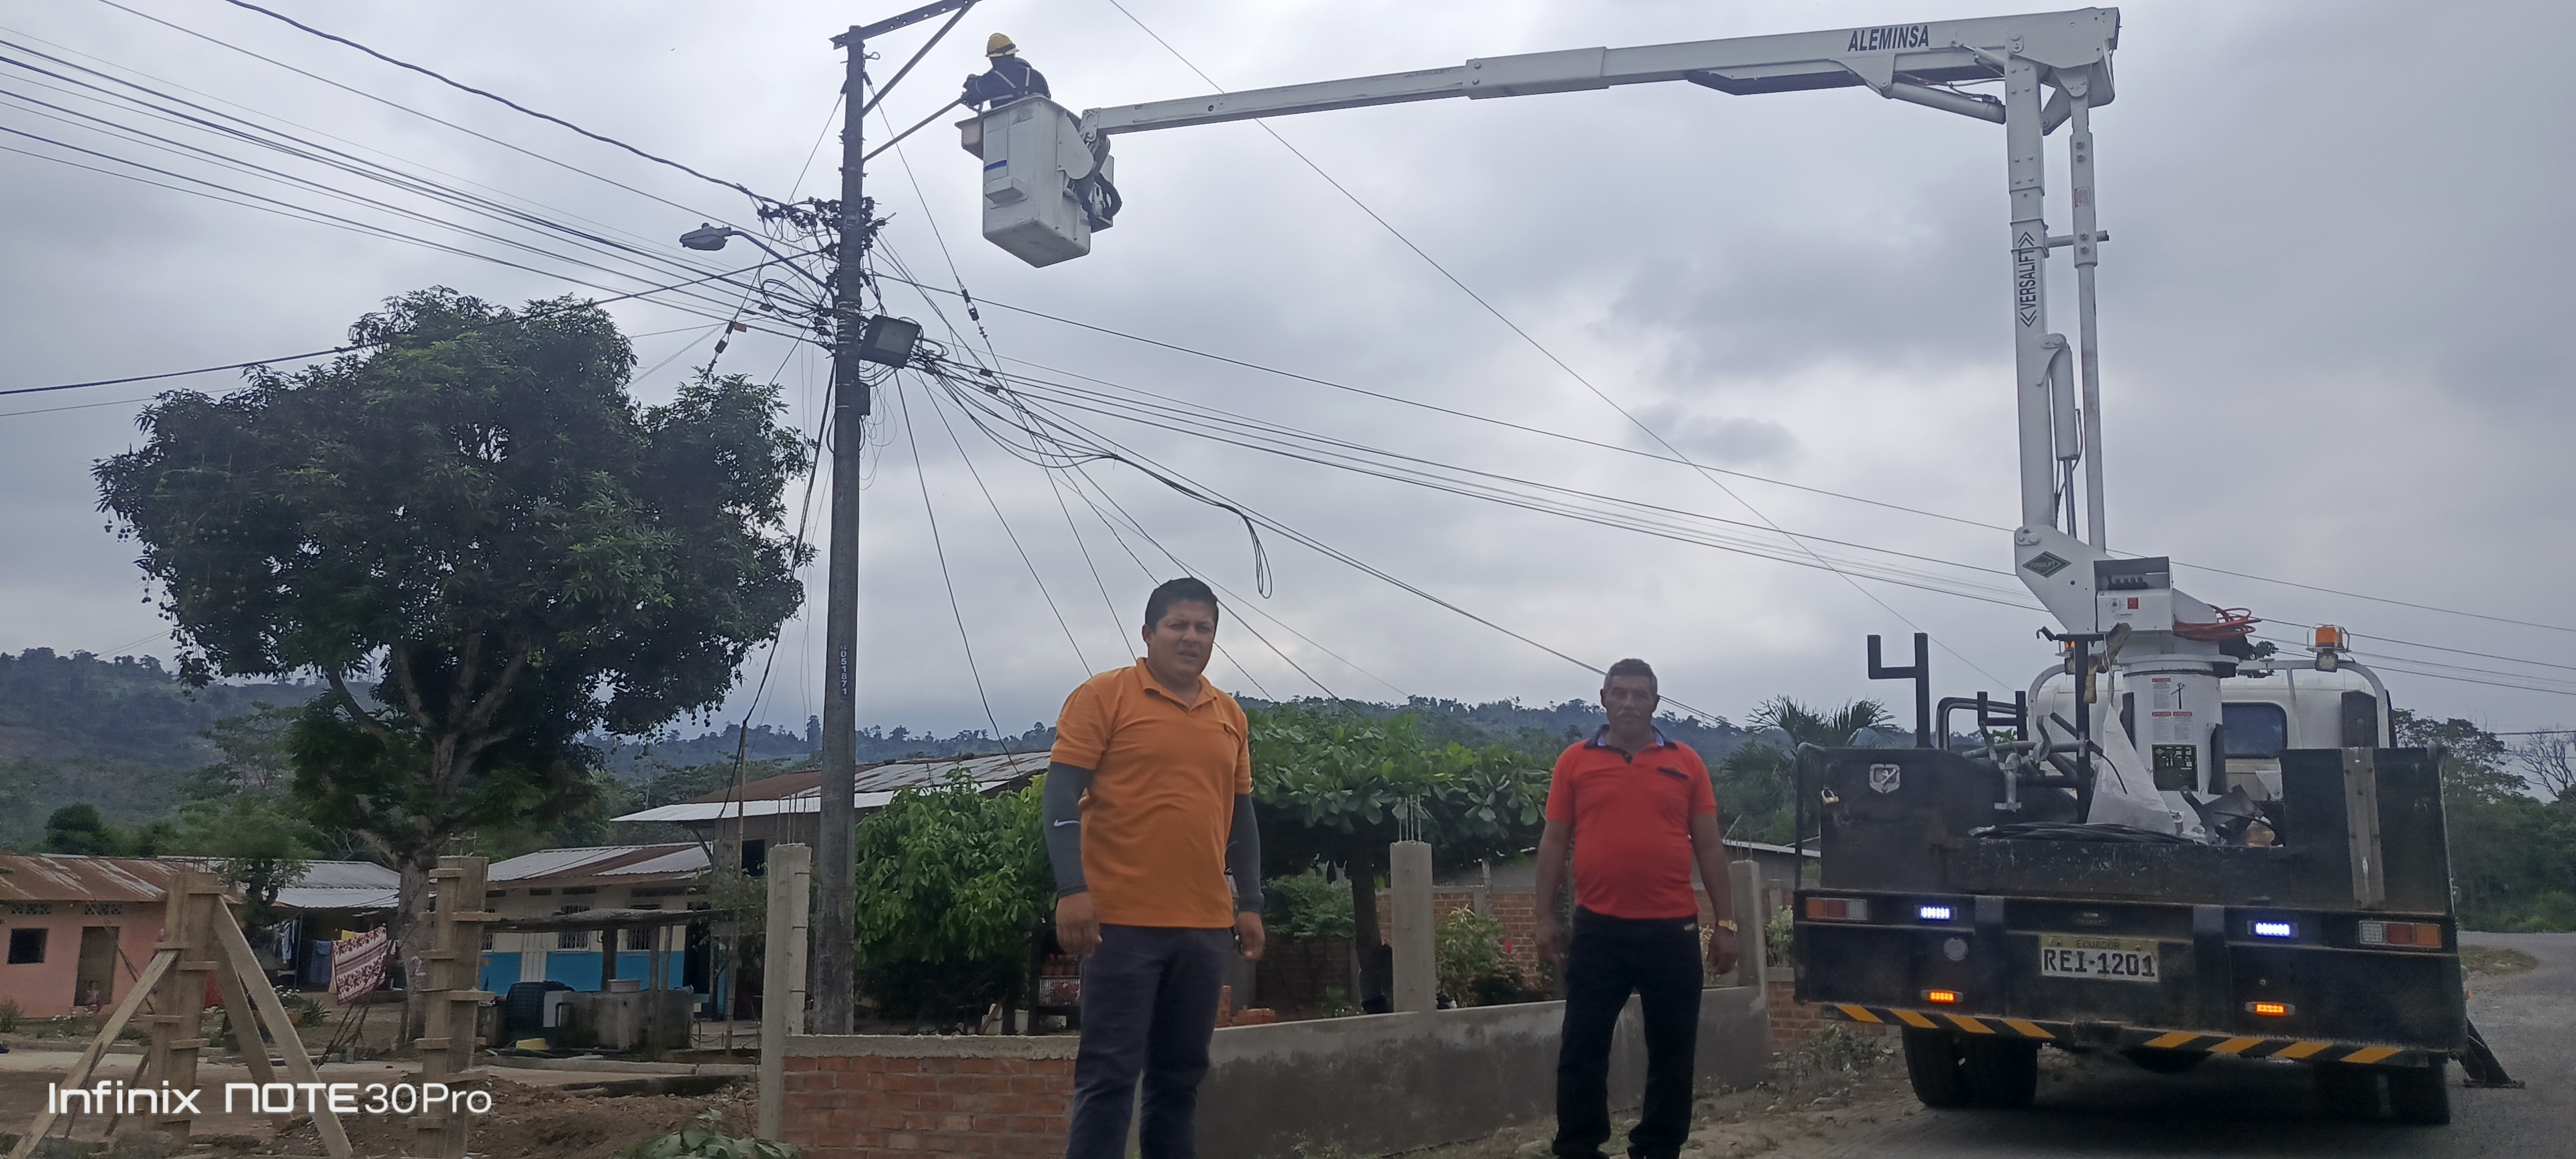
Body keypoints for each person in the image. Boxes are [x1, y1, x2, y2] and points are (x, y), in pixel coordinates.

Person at [1044, 577, 1265, 1159]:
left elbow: (1241, 817)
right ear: (1148, 633)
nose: (1191, 637)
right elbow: (1060, 794)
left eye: (1203, 628)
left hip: (1203, 927)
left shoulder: (1230, 715)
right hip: (1119, 925)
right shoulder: (1104, 696)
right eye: (1178, 626)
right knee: (1109, 1076)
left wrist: (1250, 902)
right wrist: (1072, 888)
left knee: (1179, 1079)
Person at [1536, 658, 1739, 1159]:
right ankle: (1579, 1146)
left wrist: (1726, 922)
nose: (1629, 703)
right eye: (1620, 693)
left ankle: (1658, 1146)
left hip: (1673, 930)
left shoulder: (1687, 763)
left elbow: (1709, 846)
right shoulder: (1574, 762)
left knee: (1673, 1050)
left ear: (1655, 703)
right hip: (1599, 930)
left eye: (1639, 694)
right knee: (1582, 1046)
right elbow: (1554, 842)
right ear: (1604, 699)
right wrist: (1543, 917)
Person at [961, 32, 1051, 110]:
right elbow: (1048, 101)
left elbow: (975, 87)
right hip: (1040, 123)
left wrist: (971, 79)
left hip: (1004, 124)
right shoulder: (1037, 76)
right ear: (1013, 54)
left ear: (994, 59)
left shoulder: (993, 80)